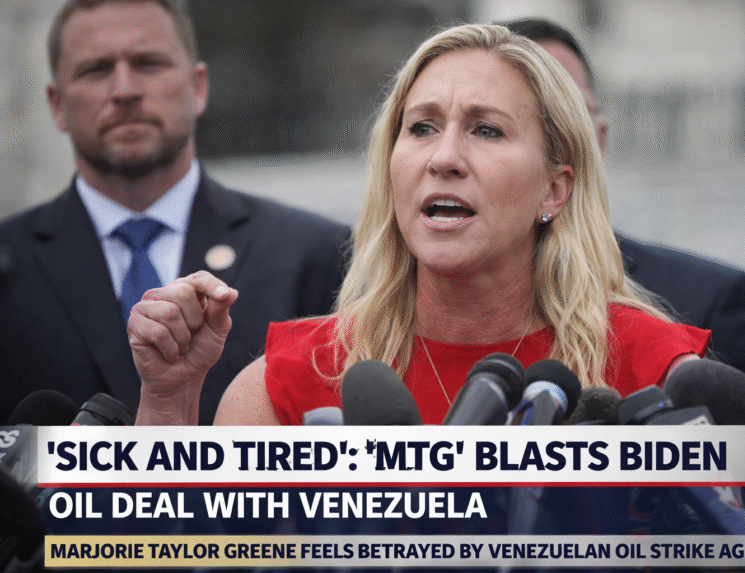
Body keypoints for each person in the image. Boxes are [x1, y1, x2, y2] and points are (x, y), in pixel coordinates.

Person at [130, 23, 710, 427]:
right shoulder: (289, 383)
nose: (444, 158)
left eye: (487, 130)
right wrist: (168, 401)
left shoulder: (653, 369)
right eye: (422, 127)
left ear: (555, 189)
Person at [0, 0, 349, 425]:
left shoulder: (314, 256)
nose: (125, 90)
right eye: (96, 70)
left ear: (198, 86)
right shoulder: (8, 266)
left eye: (148, 63)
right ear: (56, 104)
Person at [504, 18, 745, 398]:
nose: (556, 139)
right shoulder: (401, 310)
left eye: (570, 115)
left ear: (598, 139)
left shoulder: (702, 301)